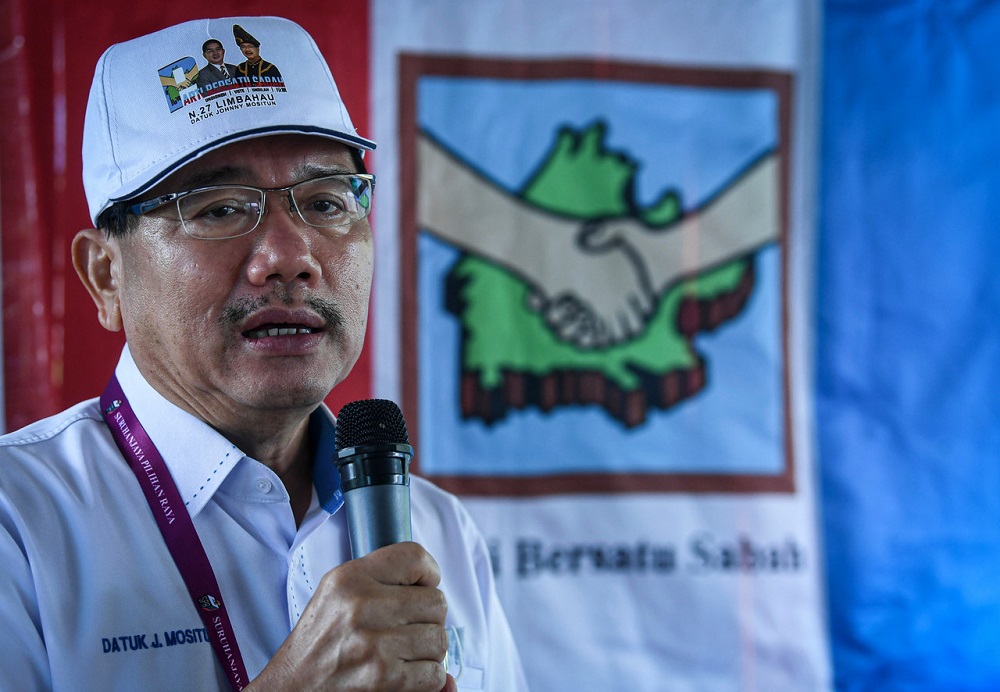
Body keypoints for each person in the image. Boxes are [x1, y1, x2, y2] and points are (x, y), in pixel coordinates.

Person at [0, 16, 526, 691]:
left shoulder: (437, 528)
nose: (290, 256)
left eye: (328, 201)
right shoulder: (20, 521)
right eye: (219, 208)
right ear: (106, 275)